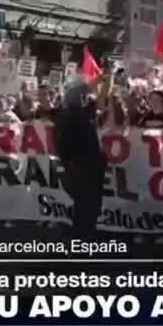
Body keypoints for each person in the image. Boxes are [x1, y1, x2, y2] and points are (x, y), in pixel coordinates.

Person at [55, 77, 108, 240]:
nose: (83, 97)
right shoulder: (70, 116)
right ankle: (81, 236)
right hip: (81, 166)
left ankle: (81, 234)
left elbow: (99, 98)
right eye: (79, 95)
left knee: (86, 204)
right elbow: (61, 144)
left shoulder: (77, 113)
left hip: (85, 166)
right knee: (86, 204)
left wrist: (104, 78)